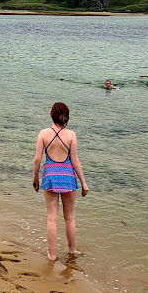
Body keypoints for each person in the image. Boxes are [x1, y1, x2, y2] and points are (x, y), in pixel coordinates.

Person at [33, 102, 89, 261]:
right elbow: (75, 160)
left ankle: (52, 255)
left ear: (51, 115)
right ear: (66, 118)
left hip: (50, 177)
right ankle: (72, 250)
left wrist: (35, 178)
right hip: (68, 178)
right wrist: (84, 183)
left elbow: (37, 159)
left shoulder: (43, 134)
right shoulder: (71, 135)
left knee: (52, 218)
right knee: (69, 217)